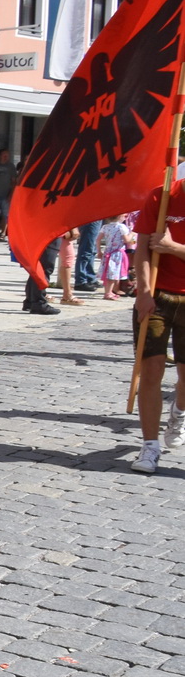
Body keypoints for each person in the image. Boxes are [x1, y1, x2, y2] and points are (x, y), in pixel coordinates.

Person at [130, 184, 185, 472]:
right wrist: (143, 293)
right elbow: (142, 249)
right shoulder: (161, 196)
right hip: (158, 295)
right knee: (151, 370)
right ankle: (150, 446)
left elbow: (163, 246)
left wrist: (172, 248)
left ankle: (179, 412)